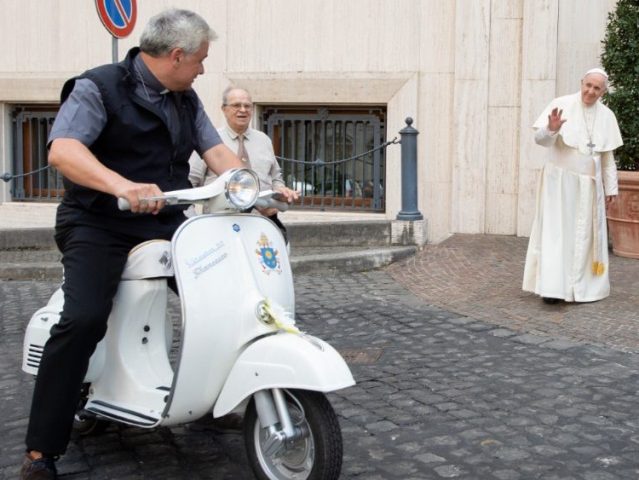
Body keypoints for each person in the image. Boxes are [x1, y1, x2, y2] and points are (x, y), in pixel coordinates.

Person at [20, 9, 249, 480]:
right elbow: (63, 150)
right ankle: (41, 450)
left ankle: (217, 395)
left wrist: (255, 188)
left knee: (226, 297)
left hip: (164, 219)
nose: (204, 69)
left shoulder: (185, 98)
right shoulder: (98, 86)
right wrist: (121, 185)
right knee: (82, 320)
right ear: (177, 55)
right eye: (201, 60)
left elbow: (217, 152)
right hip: (96, 222)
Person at [522, 68, 623, 304]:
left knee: (585, 237)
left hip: (589, 187)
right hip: (560, 184)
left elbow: (607, 157)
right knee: (558, 234)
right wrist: (552, 129)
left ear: (603, 92)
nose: (590, 91)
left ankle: (583, 287)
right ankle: (553, 289)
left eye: (596, 88)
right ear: (582, 82)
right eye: (588, 85)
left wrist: (612, 188)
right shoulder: (561, 104)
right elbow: (541, 141)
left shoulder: (607, 116)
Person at [189, 86, 298, 242]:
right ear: (224, 109)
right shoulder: (209, 141)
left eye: (247, 106)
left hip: (262, 226)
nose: (243, 110)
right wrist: (193, 224)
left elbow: (276, 178)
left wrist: (281, 193)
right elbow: (191, 183)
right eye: (236, 105)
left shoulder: (264, 140)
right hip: (219, 227)